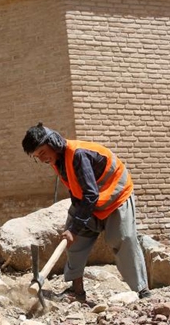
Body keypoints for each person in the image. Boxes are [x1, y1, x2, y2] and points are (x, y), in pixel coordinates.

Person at [21, 122, 152, 303]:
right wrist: (74, 226)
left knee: (123, 239)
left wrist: (74, 228)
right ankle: (77, 292)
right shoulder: (57, 159)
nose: (42, 159)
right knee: (74, 242)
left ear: (52, 143)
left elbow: (90, 194)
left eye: (42, 152)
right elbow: (77, 189)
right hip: (89, 200)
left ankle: (141, 291)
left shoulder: (79, 154)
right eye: (37, 156)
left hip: (115, 196)